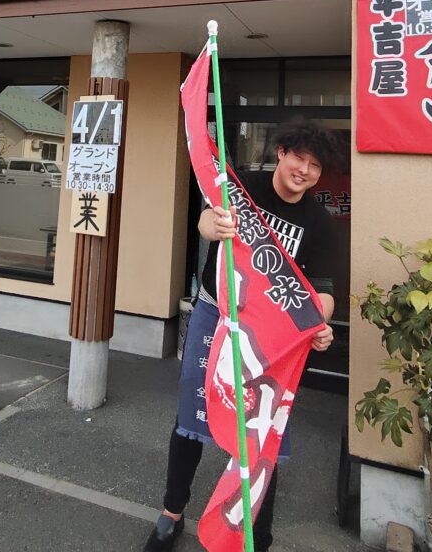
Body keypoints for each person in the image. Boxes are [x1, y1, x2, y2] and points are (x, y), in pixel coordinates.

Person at [143, 119, 340, 552]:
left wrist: (317, 324)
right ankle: (172, 512)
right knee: (192, 413)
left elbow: (322, 291)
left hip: (271, 335)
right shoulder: (244, 187)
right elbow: (206, 220)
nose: (304, 171)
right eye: (299, 158)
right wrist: (211, 227)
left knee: (261, 431)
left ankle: (256, 537)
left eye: (314, 166)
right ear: (281, 153)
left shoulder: (319, 223)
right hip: (215, 314)